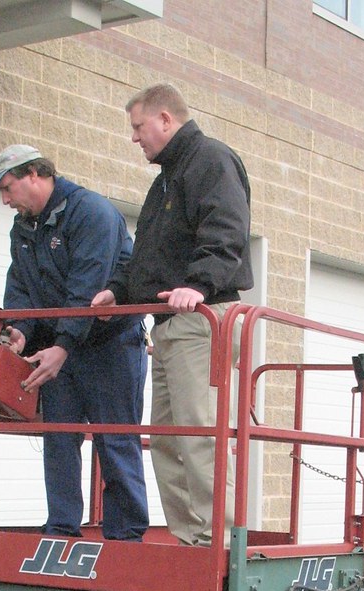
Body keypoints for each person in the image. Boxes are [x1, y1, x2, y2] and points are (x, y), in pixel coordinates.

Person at [91, 84, 253, 546]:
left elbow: (227, 231)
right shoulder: (166, 178)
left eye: (138, 126)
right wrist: (118, 292)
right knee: (166, 439)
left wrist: (197, 284)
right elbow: (150, 254)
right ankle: (191, 539)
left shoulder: (210, 160)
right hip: (168, 325)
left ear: (165, 119)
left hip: (201, 319)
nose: (134, 137)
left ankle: (218, 543)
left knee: (199, 434)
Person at [0, 144, 149, 540]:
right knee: (58, 437)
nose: (5, 200)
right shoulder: (23, 228)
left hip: (109, 345)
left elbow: (88, 286)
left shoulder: (91, 212)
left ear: (35, 175)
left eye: (7, 189)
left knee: (115, 438)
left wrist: (63, 345)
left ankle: (126, 537)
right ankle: (61, 529)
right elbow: (20, 286)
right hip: (61, 347)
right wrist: (20, 330)